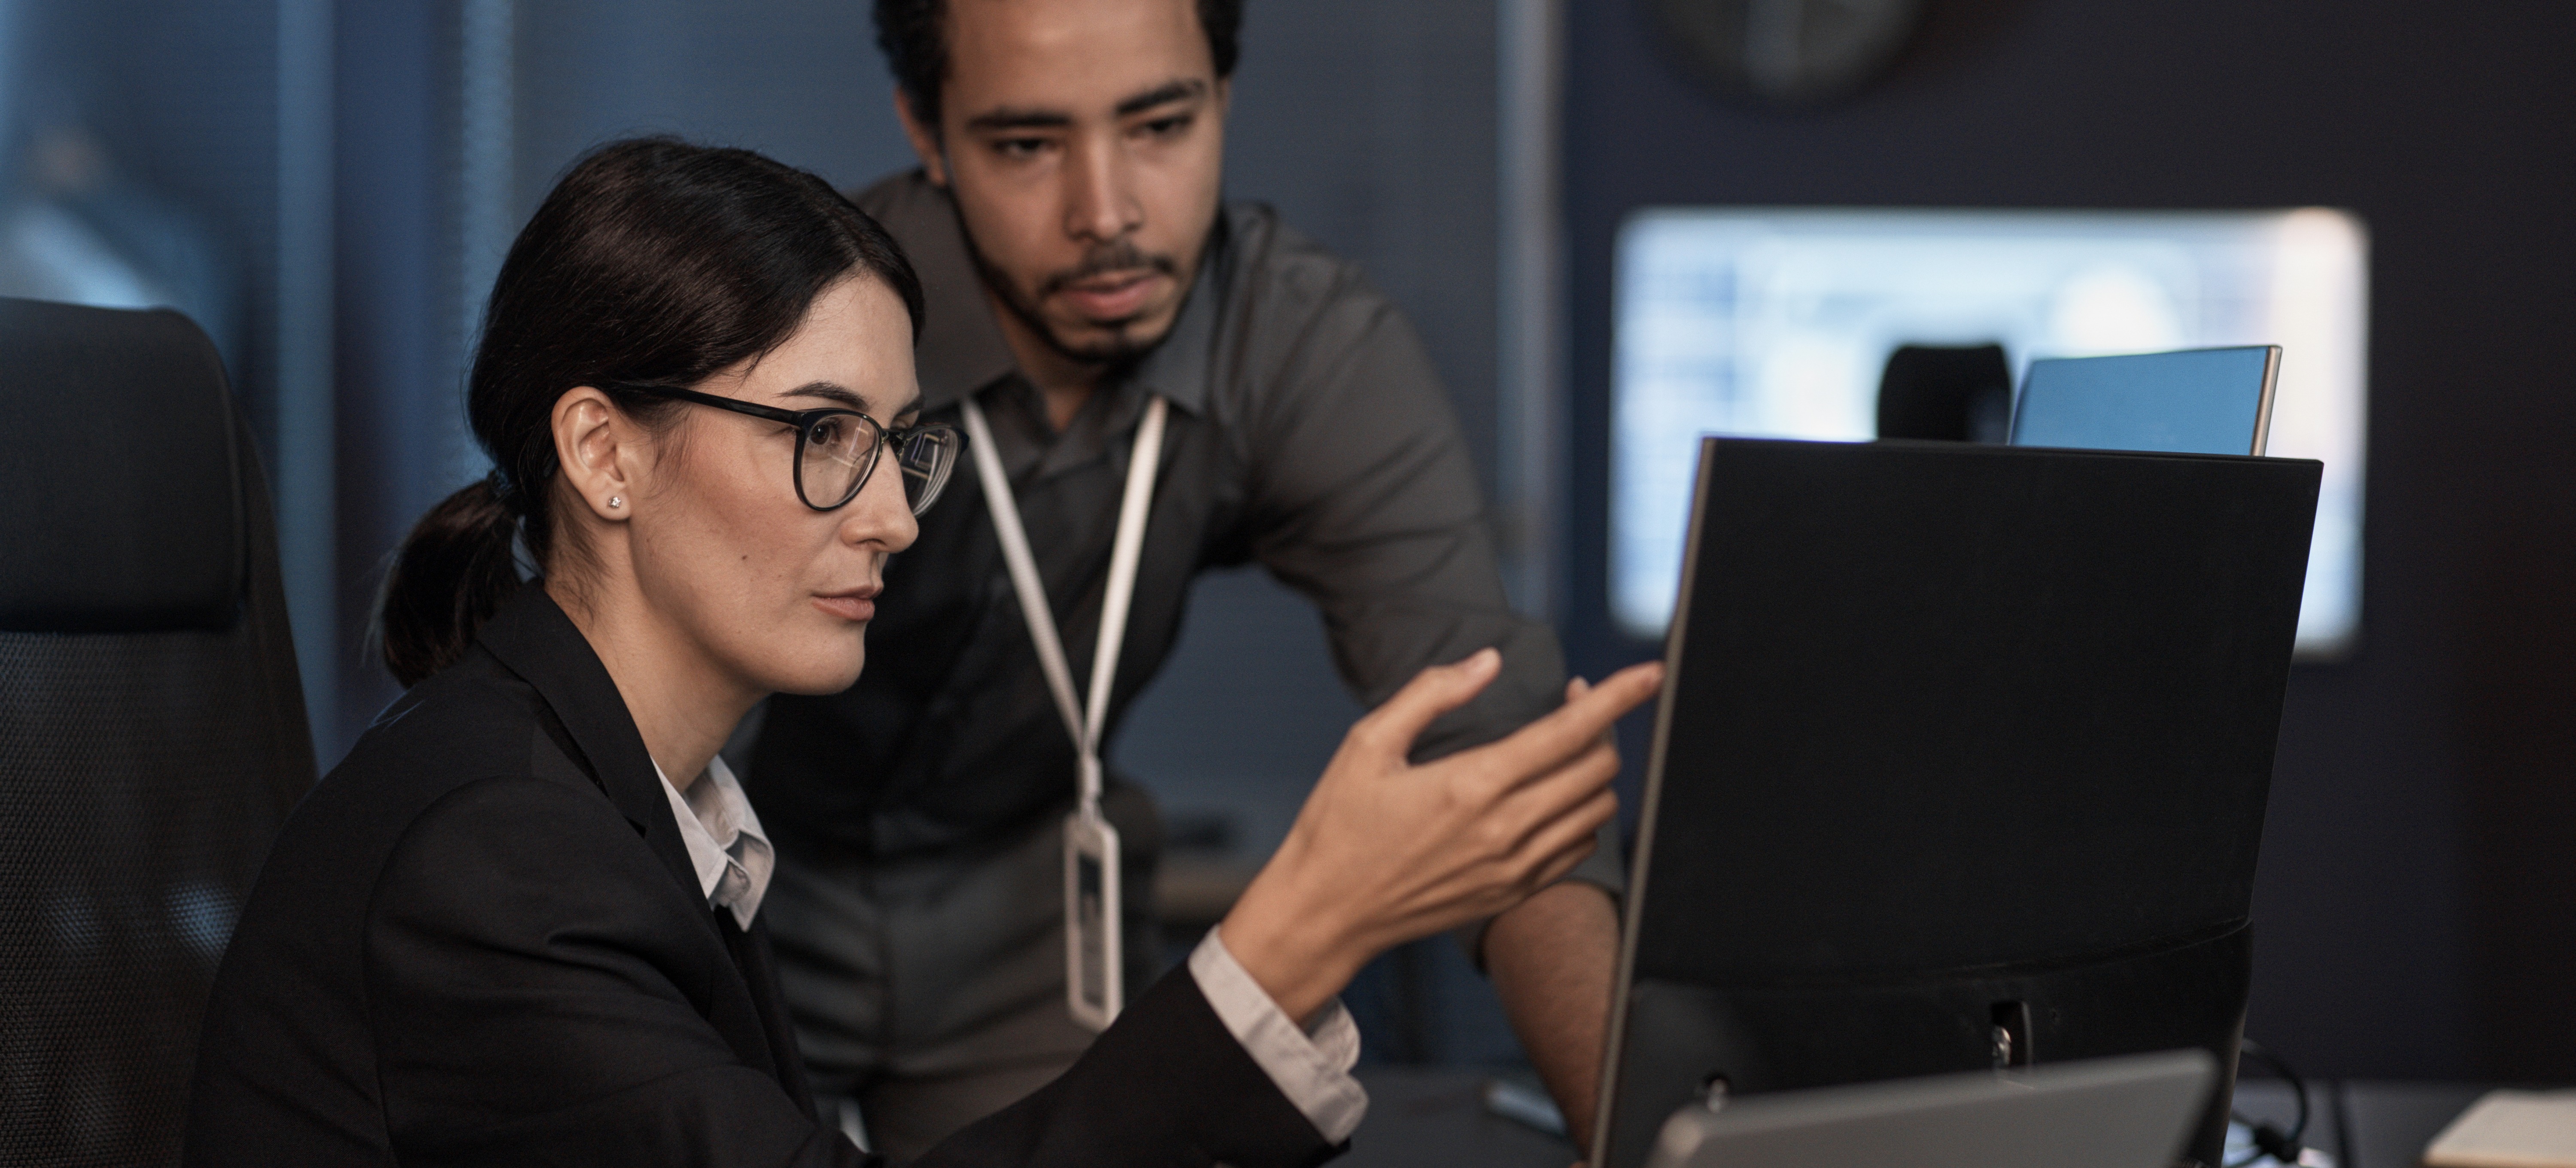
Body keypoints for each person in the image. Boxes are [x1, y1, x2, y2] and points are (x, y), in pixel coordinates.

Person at [180, 138, 1659, 1166]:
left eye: (901, 446)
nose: (892, 513)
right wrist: (1298, 934)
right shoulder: (496, 863)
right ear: (603, 452)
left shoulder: (634, 809)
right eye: (824, 435)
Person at [741, 0, 1628, 1154]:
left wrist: (1648, 1145)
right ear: (926, 127)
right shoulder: (794, 321)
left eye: (1161, 124)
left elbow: (1496, 753)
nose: (1106, 213)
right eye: (1025, 145)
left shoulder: (1301, 344)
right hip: (745, 881)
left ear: (1223, 96)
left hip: (1030, 904)